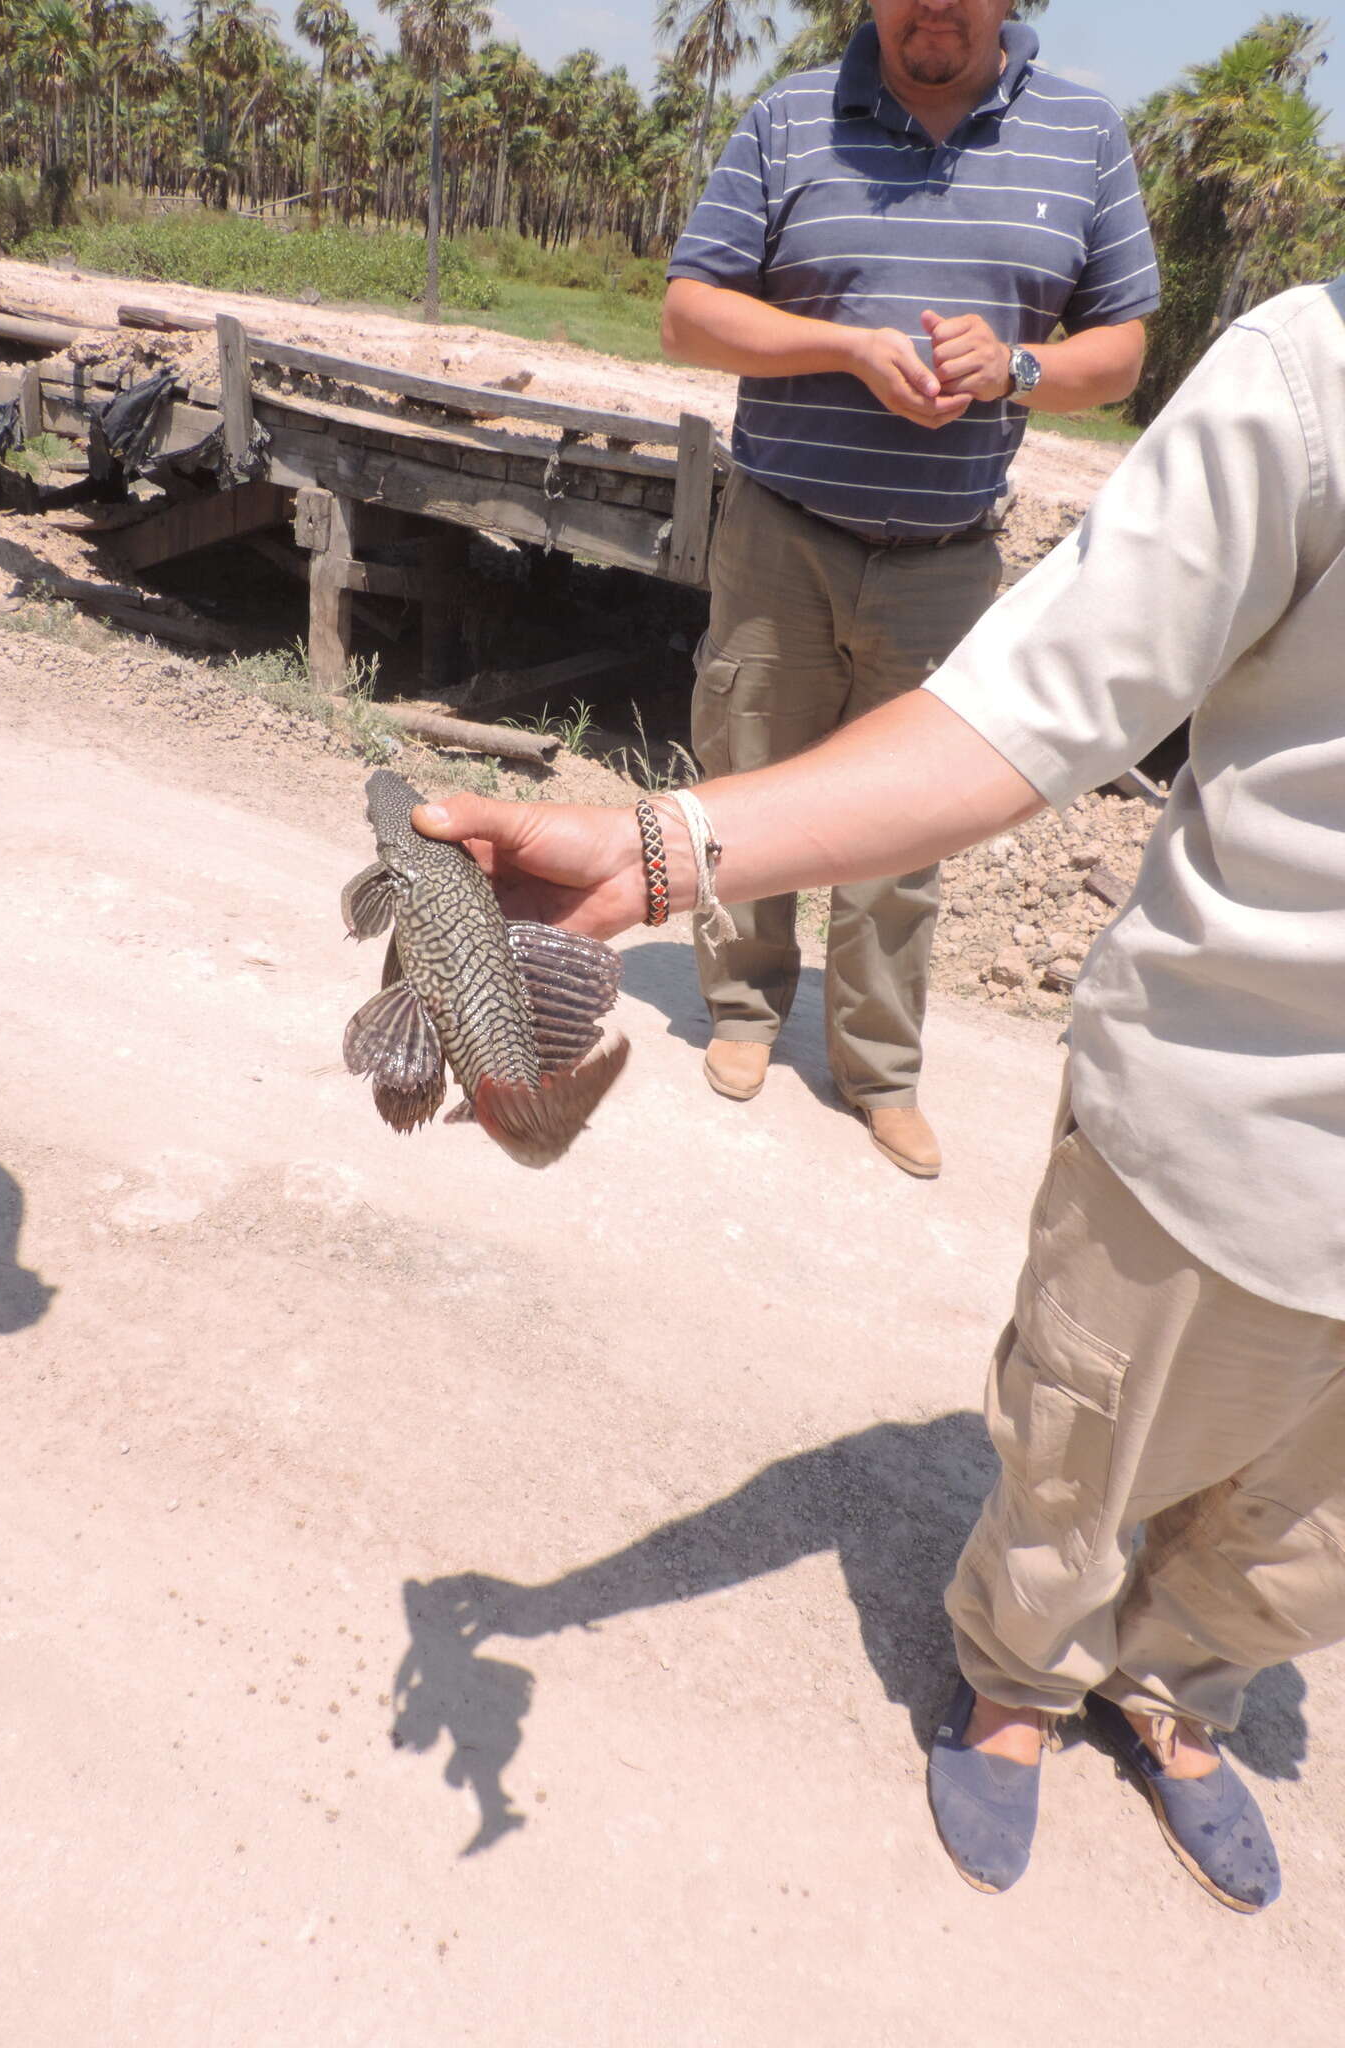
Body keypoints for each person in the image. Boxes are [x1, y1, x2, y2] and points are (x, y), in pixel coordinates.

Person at [406, 275, 1345, 1912]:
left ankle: (1185, 1689)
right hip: (1224, 1126)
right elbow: (1032, 703)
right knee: (1080, 1464)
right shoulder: (1319, 372)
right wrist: (658, 854)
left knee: (1303, 1543)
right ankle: (1020, 1687)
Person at [661, 0, 1158, 1178]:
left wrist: (1018, 365)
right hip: (784, 528)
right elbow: (689, 313)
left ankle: (880, 1069)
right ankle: (739, 1008)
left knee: (909, 823)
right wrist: (846, 346)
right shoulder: (789, 117)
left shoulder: (1082, 130)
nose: (936, 5)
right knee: (750, 767)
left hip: (948, 557)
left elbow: (1125, 347)